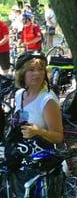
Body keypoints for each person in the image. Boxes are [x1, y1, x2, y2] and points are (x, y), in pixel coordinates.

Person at [10, 52, 63, 197]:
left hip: (40, 162)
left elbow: (59, 137)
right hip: (20, 154)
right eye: (31, 70)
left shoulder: (47, 100)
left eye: (41, 69)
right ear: (22, 73)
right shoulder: (20, 94)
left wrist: (39, 131)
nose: (37, 74)